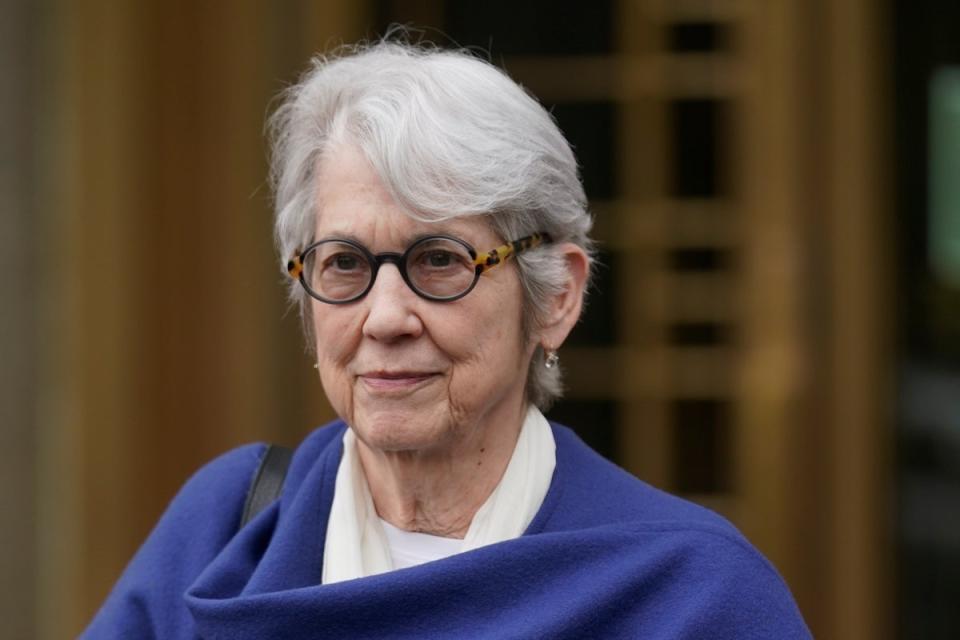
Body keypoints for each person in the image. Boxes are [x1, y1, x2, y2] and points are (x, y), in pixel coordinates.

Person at [82, 40, 811, 639]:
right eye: (344, 264)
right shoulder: (230, 526)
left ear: (556, 297)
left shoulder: (692, 594)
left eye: (440, 261)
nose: (386, 316)